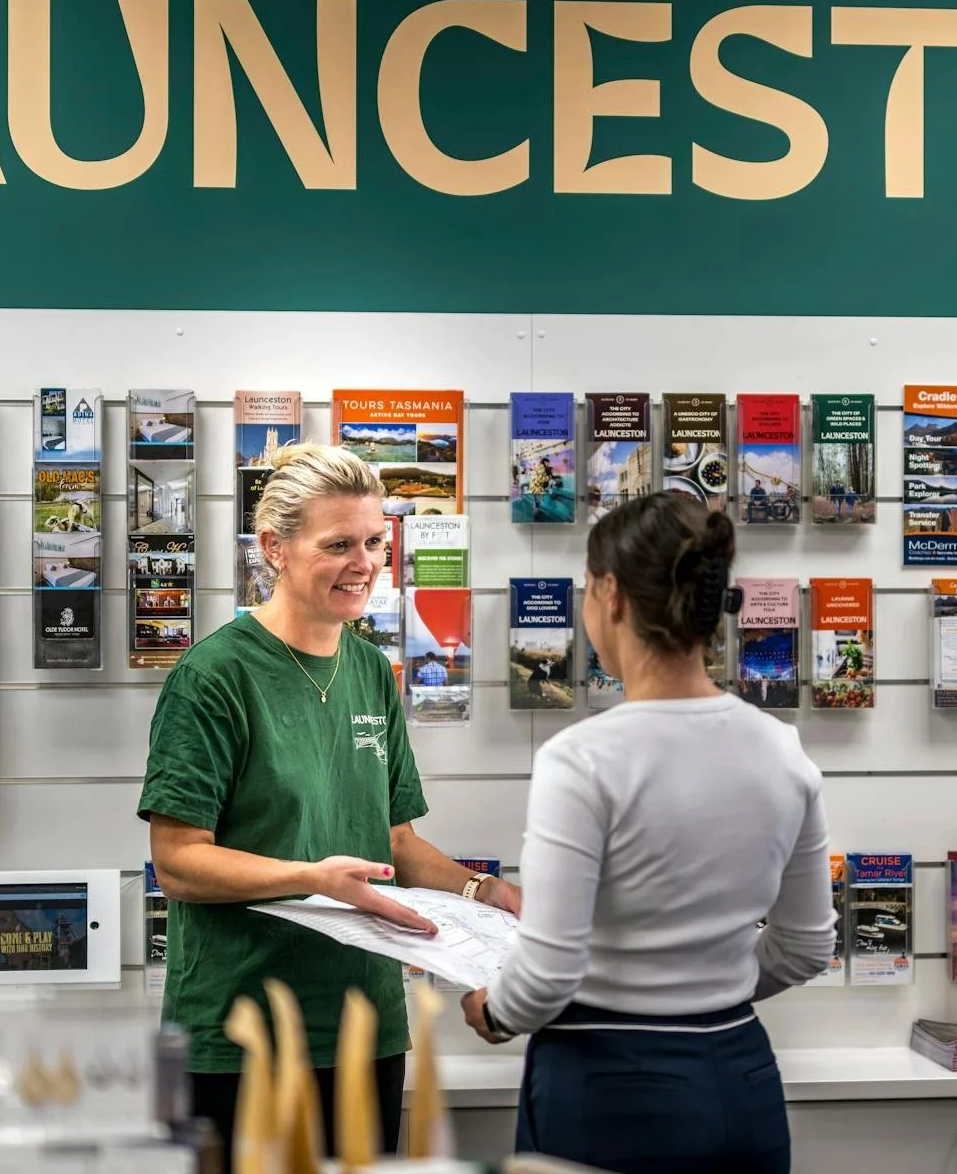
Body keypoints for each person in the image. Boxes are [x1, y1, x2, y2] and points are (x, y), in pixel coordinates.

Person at [138, 443, 521, 1159]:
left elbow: (397, 844)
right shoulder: (213, 675)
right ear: (274, 549)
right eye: (339, 544)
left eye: (375, 541)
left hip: (364, 1029)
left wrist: (482, 888)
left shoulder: (372, 670)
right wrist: (311, 880)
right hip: (242, 1035)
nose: (365, 562)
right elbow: (179, 862)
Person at [460, 492, 836, 1174]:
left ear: (610, 595)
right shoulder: (782, 750)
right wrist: (701, 986)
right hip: (742, 1078)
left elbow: (548, 974)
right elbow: (809, 947)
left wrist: (494, 1011)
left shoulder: (583, 759)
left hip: (609, 1089)